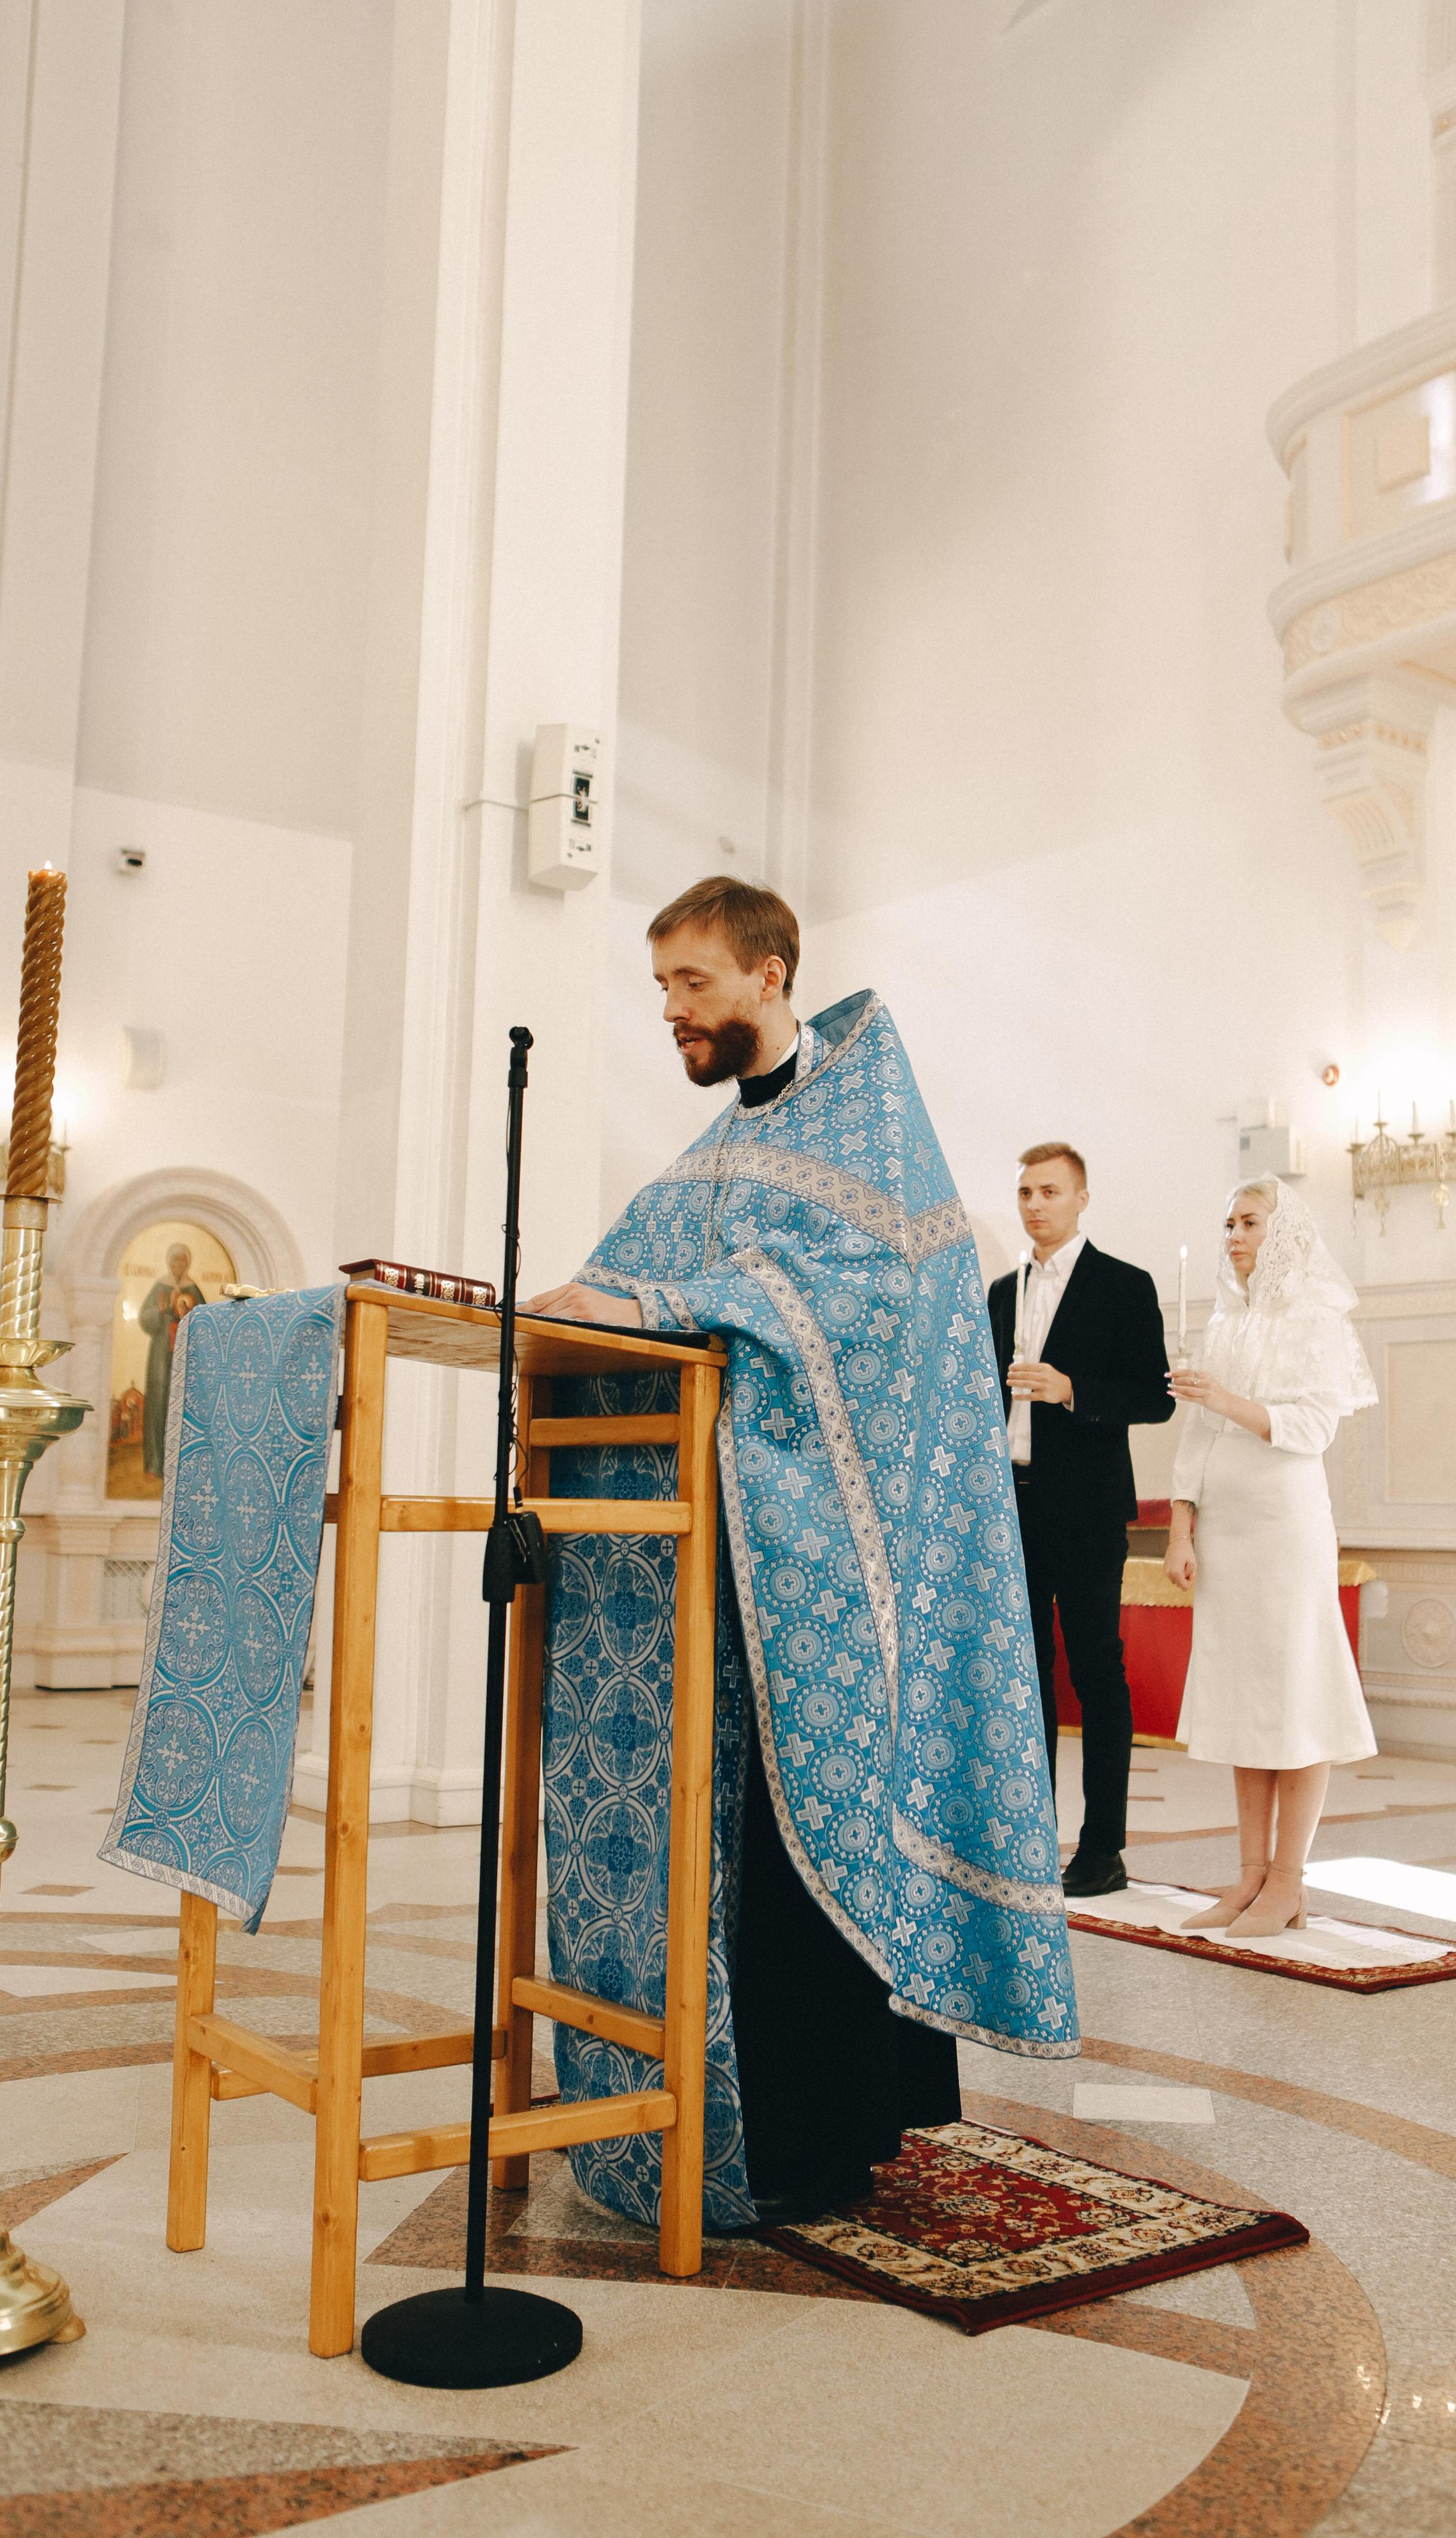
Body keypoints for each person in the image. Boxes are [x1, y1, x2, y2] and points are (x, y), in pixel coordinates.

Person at [526, 876, 1078, 2230]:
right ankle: (709, 2122)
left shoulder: (867, 1123)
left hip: (832, 1579)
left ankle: (812, 2148)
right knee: (721, 1848)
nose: (671, 1012)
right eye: (661, 987)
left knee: (796, 1850)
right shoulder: (711, 1157)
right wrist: (582, 1312)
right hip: (709, 1571)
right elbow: (636, 1281)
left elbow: (881, 1302)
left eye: (693, 985)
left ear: (770, 973)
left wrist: (659, 1303)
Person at [1163, 1177, 1378, 1939]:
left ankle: (1289, 1880)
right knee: (1244, 1701)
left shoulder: (1316, 1319)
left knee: (1292, 1696)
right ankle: (1249, 1875)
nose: (1233, 1236)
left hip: (1285, 1530)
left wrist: (1223, 1400)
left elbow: (1313, 1427)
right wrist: (1181, 1527)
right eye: (1227, 1223)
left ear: (1282, 1233)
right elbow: (1194, 1434)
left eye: (1249, 1222)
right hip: (1225, 1532)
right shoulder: (1226, 1320)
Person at [985, 1149, 1174, 1901]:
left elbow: (1154, 1398)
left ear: (1082, 1198)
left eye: (1050, 1191)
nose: (1035, 1204)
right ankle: (1034, 1840)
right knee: (1023, 1680)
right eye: (1025, 1192)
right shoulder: (1001, 1291)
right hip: (1013, 1505)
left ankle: (1103, 1849)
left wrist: (1071, 1391)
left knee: (1095, 1671)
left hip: (1089, 1508)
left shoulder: (1124, 1286)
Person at [139, 1243, 206, 1478]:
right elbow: (144, 1318)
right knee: (158, 1403)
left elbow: (205, 1321)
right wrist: (160, 1311)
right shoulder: (160, 1286)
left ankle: (180, 1466)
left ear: (188, 1263)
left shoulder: (193, 1289)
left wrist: (188, 1314)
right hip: (160, 1351)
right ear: (169, 1263)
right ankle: (154, 1464)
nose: (179, 1265)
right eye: (175, 1261)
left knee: (182, 1404)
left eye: (183, 1261)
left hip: (185, 1353)